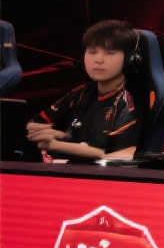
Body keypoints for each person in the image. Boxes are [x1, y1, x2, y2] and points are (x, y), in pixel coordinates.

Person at [27, 19, 140, 163]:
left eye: (109, 53)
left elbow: (122, 155)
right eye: (92, 52)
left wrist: (56, 146)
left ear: (129, 59)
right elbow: (36, 123)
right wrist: (43, 135)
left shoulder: (129, 102)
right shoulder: (80, 94)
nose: (98, 60)